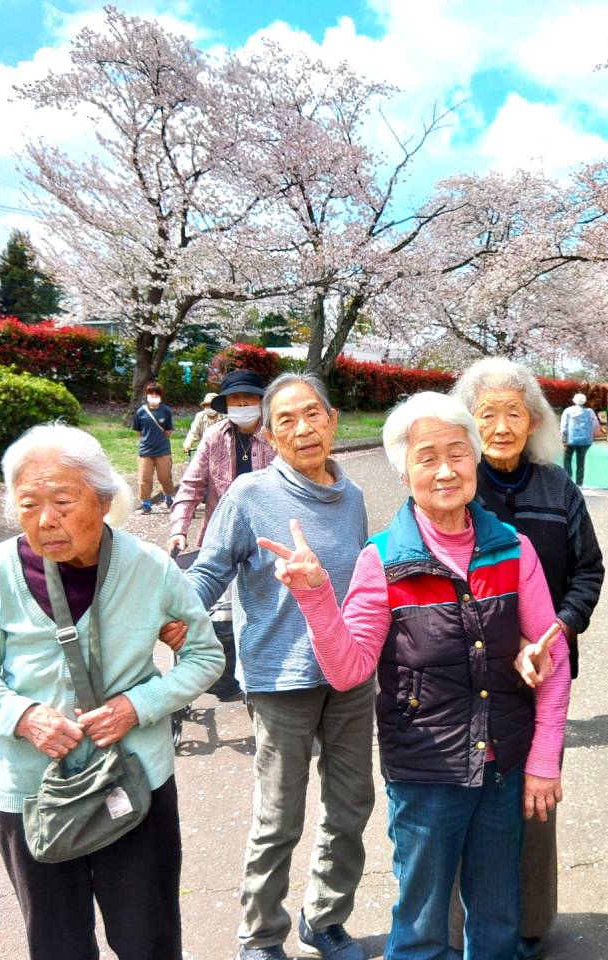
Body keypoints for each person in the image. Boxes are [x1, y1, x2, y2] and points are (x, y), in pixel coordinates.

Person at [258, 391, 570, 960]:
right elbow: (349, 669)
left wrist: (544, 758)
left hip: (504, 765)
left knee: (498, 918)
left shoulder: (513, 550)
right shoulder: (382, 560)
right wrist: (316, 598)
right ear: (403, 472)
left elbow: (554, 653)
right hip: (426, 772)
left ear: (475, 460)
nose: (445, 470)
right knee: (422, 926)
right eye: (427, 458)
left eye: (457, 453)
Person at [0, 423, 224, 960]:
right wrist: (22, 715)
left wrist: (137, 707)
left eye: (62, 501)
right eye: (28, 505)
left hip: (133, 781)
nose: (45, 520)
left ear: (102, 499)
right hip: (31, 791)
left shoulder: (147, 567)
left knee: (148, 939)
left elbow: (205, 655)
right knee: (58, 943)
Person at [185, 373, 372, 960]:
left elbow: (360, 589)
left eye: (312, 414)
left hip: (348, 677)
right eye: (285, 420)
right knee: (279, 816)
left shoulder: (353, 497)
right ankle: (261, 936)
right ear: (269, 435)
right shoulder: (249, 495)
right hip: (279, 678)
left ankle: (325, 919)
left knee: (350, 805)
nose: (303, 428)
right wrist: (168, 617)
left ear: (332, 421)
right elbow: (209, 571)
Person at [452, 357, 605, 958]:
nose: (500, 427)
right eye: (486, 414)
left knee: (536, 792)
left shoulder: (557, 487)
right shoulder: (457, 483)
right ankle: (464, 924)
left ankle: (530, 921)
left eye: (514, 413)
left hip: (546, 670)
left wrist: (558, 631)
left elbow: (588, 571)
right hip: (468, 672)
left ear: (534, 421)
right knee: (466, 795)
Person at [168, 370, 274, 701]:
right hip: (222, 533)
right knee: (220, 611)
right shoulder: (214, 437)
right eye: (235, 400)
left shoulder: (275, 436)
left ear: (261, 402)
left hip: (268, 537)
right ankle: (226, 677)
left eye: (249, 399)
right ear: (225, 405)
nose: (242, 405)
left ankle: (263, 674)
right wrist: (178, 530)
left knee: (264, 607)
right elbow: (191, 485)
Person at [132, 382, 176, 514]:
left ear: (160, 396)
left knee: (165, 477)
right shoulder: (140, 411)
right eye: (151, 393)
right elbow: (138, 431)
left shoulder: (166, 410)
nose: (153, 396)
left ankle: (169, 499)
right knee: (144, 478)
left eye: (156, 394)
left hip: (163, 451)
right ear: (147, 395)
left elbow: (168, 431)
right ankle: (146, 504)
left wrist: (160, 441)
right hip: (145, 451)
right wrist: (147, 440)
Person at [183, 391, 223, 457]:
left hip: (222, 450)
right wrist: (188, 443)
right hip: (204, 449)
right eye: (207, 405)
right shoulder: (200, 416)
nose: (210, 408)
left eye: (212, 405)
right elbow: (193, 432)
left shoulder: (224, 417)